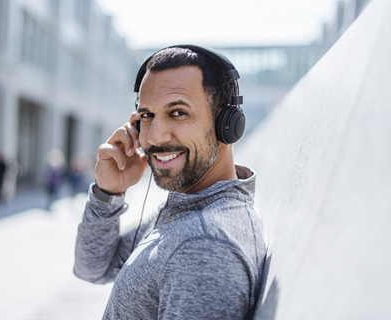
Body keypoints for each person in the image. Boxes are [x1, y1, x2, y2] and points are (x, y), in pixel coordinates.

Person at [73, 45, 267, 319]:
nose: (154, 137)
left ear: (227, 122)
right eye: (147, 116)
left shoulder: (203, 247)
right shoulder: (190, 204)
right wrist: (108, 192)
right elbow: (93, 268)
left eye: (178, 112)